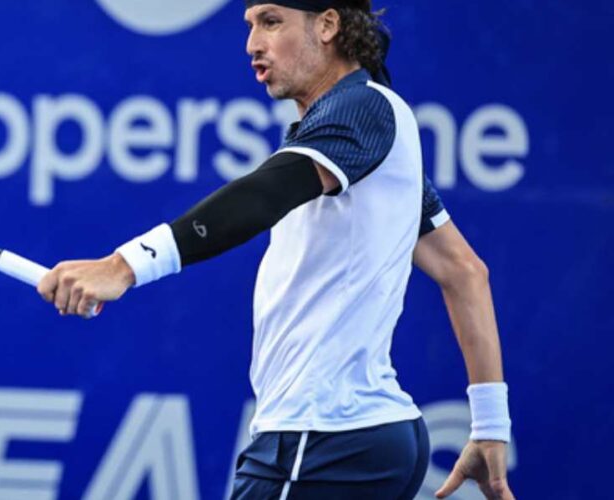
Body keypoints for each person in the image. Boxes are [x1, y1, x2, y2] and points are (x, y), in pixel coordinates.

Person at [37, 1, 514, 498]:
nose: (252, 45)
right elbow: (464, 270)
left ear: (328, 24)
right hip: (364, 436)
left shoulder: (364, 109)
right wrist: (490, 423)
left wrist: (125, 266)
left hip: (324, 439)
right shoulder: (368, 138)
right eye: (249, 26)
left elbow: (264, 195)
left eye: (271, 21)